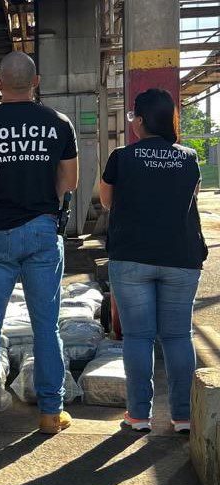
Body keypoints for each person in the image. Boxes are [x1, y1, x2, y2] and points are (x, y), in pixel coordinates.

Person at [0, 51, 78, 434]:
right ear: (36, 82)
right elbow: (70, 181)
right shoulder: (59, 123)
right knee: (46, 326)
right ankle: (51, 412)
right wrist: (46, 203)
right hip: (44, 231)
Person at [99, 88, 207, 434]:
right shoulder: (189, 158)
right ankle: (183, 416)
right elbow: (189, 199)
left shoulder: (121, 157)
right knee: (177, 336)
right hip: (181, 256)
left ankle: (139, 415)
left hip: (131, 256)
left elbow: (107, 202)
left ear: (141, 121)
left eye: (134, 116)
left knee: (138, 337)